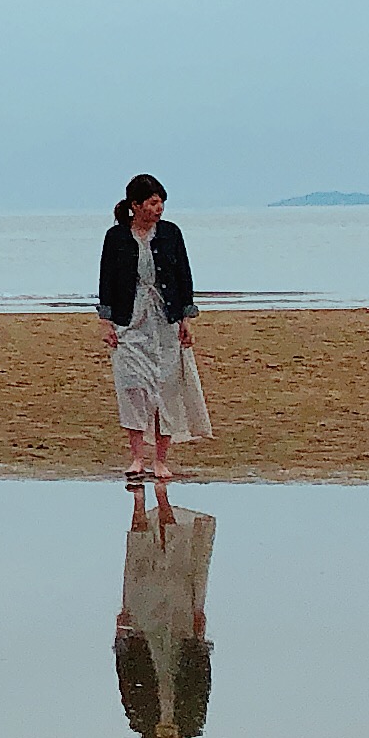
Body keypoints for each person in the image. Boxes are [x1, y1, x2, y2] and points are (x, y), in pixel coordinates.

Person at [94, 174, 211, 511]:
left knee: (166, 386)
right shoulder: (115, 237)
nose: (158, 209)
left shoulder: (172, 234)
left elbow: (184, 276)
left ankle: (160, 460)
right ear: (136, 205)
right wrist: (106, 322)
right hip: (130, 320)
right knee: (133, 385)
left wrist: (186, 319)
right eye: (152, 203)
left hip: (166, 318)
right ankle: (136, 458)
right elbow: (106, 279)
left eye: (161, 203)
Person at [114, 492, 215, 738]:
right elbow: (201, 681)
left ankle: (140, 502)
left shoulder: (141, 722)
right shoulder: (193, 723)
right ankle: (161, 497)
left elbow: (126, 678)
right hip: (180, 642)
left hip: (144, 643)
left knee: (140, 570)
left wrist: (122, 637)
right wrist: (199, 638)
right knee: (181, 571)